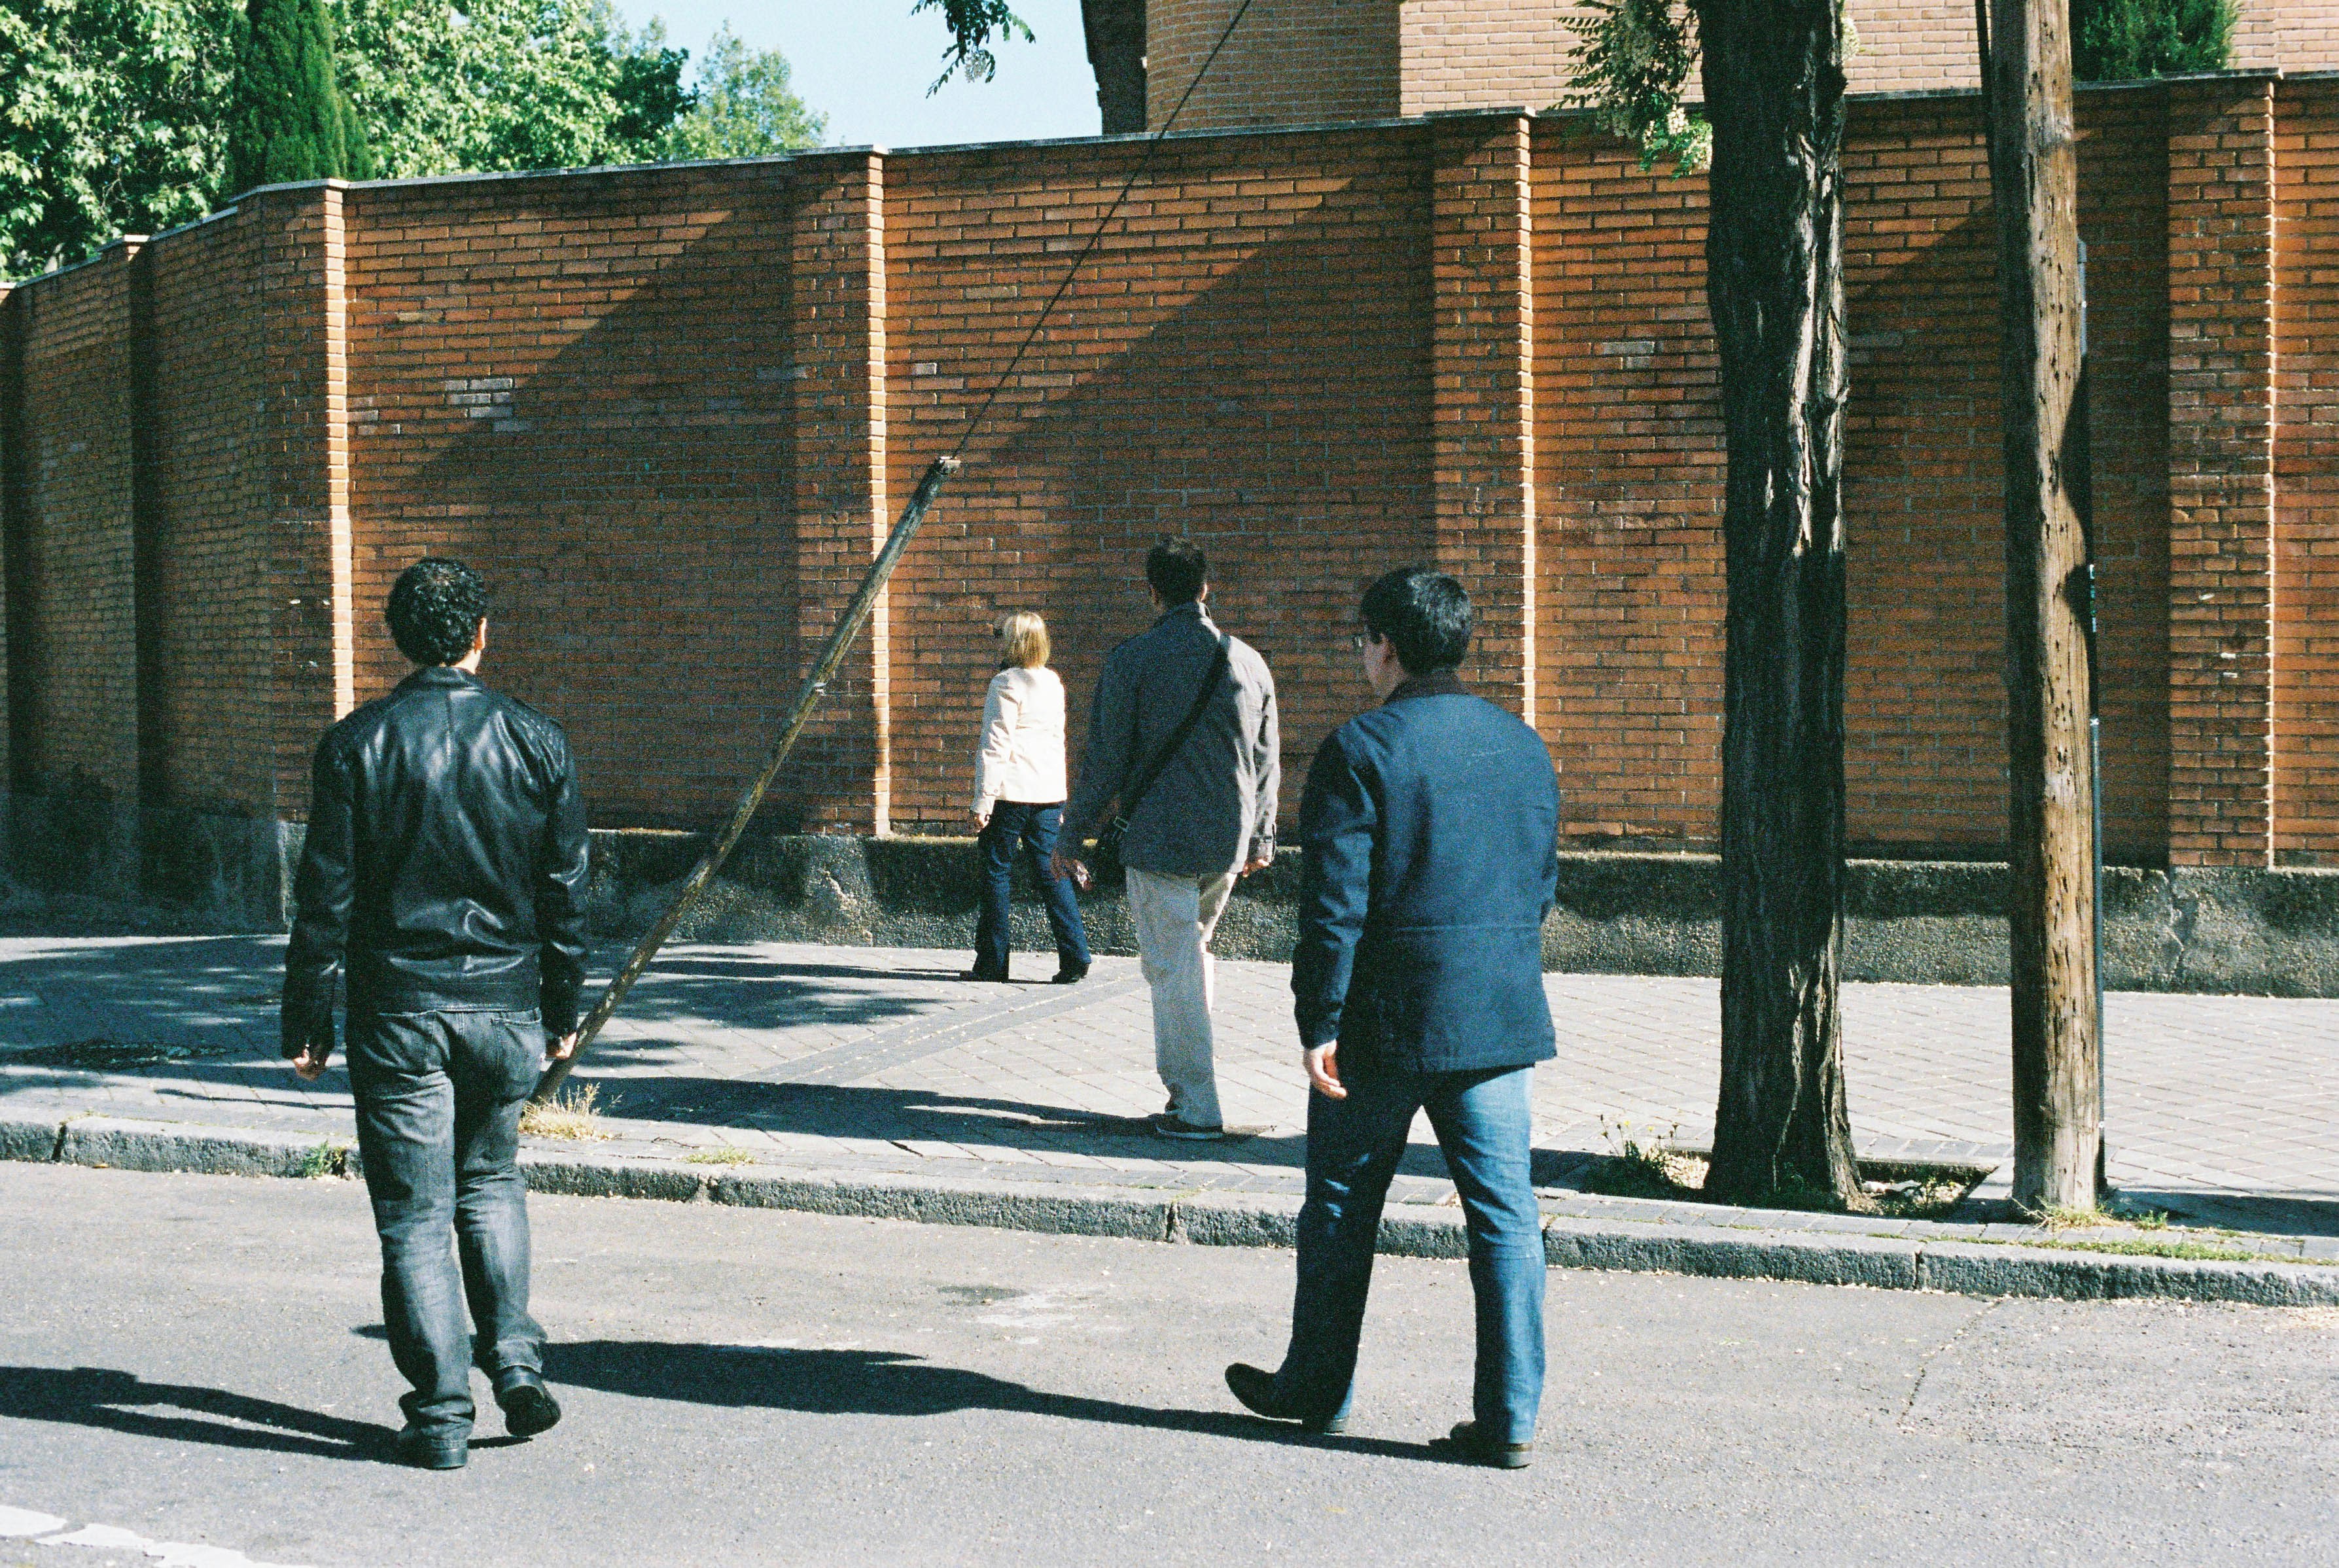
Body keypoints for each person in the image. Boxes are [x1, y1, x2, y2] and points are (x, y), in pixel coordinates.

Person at [1223, 566, 1558, 1468]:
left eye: (1360, 639)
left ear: (1385, 644)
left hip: (1379, 1020)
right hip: (1493, 1019)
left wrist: (1315, 1017)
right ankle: (1510, 1416)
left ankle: (1316, 1385)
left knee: (1338, 1203)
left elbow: (1333, 906)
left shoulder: (1361, 749)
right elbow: (1538, 887)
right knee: (1503, 1216)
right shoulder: (1522, 746)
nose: (1359, 656)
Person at [282, 557, 590, 1471]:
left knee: (415, 1217)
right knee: (491, 1184)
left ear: (398, 639)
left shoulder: (355, 745)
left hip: (399, 1010)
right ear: (481, 634)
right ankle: (517, 1363)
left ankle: (442, 1413)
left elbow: (324, 901)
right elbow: (567, 893)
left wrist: (306, 1018)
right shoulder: (538, 742)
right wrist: (562, 1010)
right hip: (503, 1006)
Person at [1053, 539, 1279, 1140]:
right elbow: (1266, 759)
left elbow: (1103, 760)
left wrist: (1071, 835)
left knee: (1173, 967)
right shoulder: (1249, 661)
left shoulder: (1132, 660)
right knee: (1194, 956)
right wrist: (1263, 834)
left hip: (1158, 839)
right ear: (1206, 589)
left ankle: (1197, 1105)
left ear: (1152, 593)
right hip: (1226, 842)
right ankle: (1189, 1092)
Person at [966, 611, 1091, 984]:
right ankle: (1076, 955)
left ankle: (993, 962)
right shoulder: (1053, 682)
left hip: (1010, 794)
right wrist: (1062, 796)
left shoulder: (1005, 683)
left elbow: (996, 743)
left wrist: (983, 799)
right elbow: (1058, 740)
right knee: (1053, 873)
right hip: (1048, 794)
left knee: (997, 873)